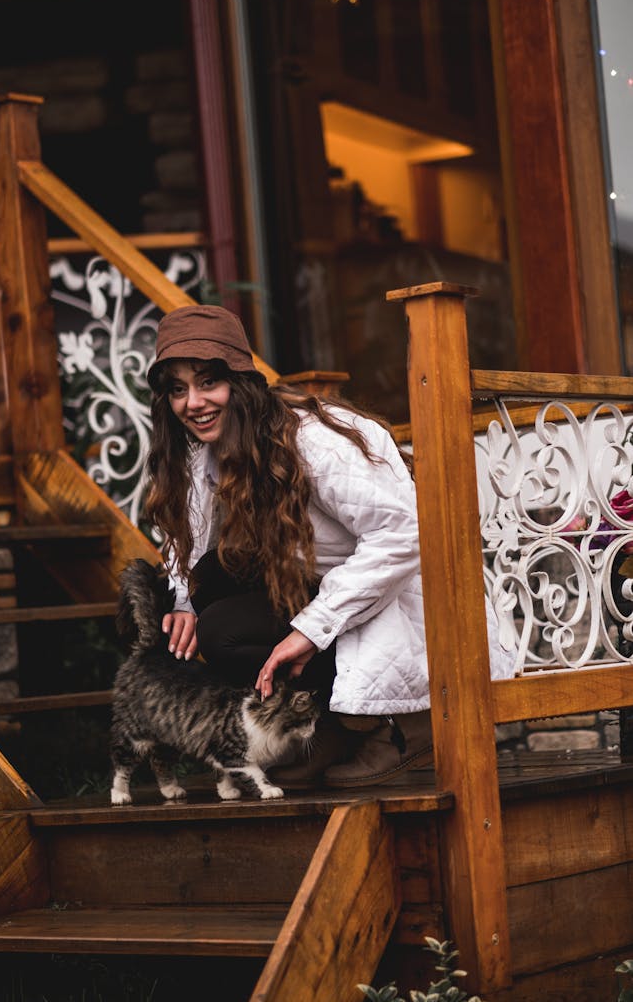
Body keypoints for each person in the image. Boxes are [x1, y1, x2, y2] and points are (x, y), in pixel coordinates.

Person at [145, 304, 514, 788]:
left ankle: (412, 724)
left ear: (240, 381)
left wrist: (310, 630)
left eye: (207, 382)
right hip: (325, 591)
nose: (192, 402)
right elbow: (187, 541)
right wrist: (183, 602)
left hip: (404, 603)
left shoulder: (313, 441)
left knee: (222, 632)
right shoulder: (206, 453)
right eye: (177, 389)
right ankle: (330, 732)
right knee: (198, 591)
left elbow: (404, 535)